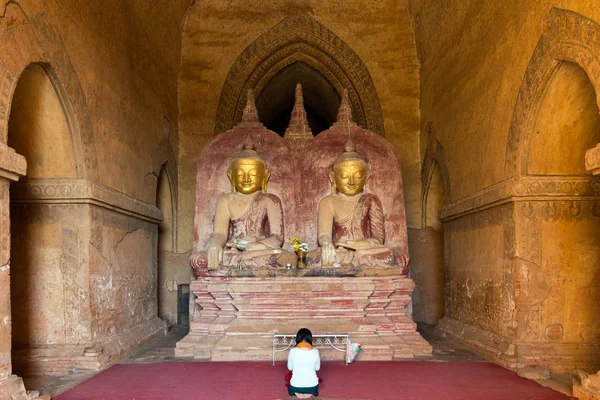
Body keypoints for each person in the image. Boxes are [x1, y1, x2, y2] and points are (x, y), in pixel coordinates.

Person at [287, 328, 320, 399]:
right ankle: (310, 392)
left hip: (295, 386)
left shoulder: (292, 351)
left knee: (291, 387)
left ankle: (296, 392)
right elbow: (317, 368)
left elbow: (290, 368)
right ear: (310, 339)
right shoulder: (315, 351)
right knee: (314, 386)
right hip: (312, 386)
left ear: (298, 339)